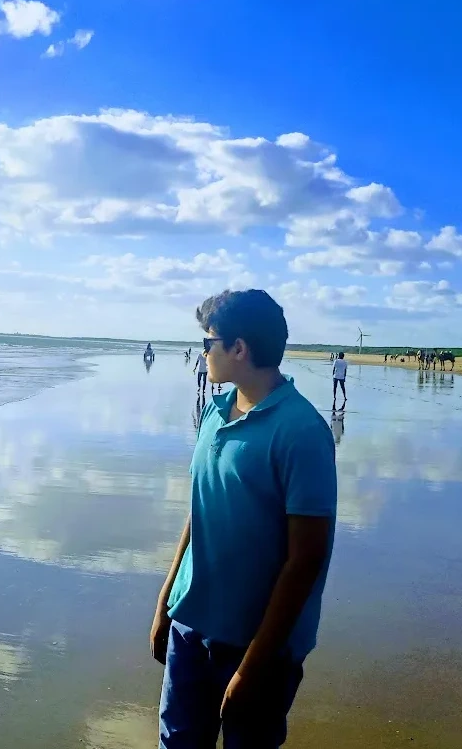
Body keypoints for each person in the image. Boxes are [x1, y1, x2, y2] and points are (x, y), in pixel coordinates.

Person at [152, 289, 337, 749]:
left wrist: (254, 665)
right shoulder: (214, 413)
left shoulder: (301, 432)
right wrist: (165, 603)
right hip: (190, 627)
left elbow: (306, 560)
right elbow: (198, 515)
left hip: (259, 647)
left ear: (239, 348)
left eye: (208, 342)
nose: (203, 352)